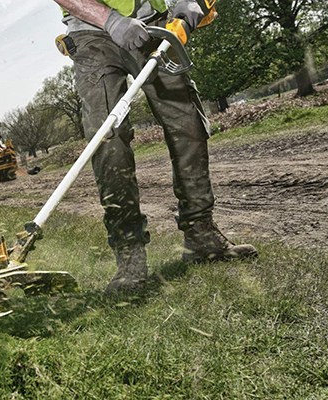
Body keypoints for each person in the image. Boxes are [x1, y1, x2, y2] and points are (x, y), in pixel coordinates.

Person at [53, 0, 258, 294]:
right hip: (91, 34)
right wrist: (111, 21)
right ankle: (129, 256)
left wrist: (189, 3)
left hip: (154, 22)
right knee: (107, 139)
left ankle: (201, 234)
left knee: (187, 122)